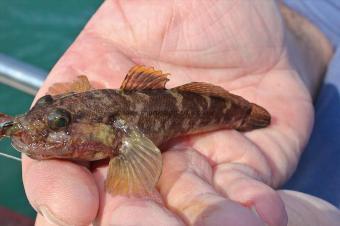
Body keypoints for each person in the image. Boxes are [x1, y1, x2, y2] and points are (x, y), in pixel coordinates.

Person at [22, 1, 340, 225]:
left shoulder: (120, 130)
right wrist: (299, 35)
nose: (48, 131)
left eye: (59, 123)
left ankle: (243, 116)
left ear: (112, 129)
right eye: (52, 113)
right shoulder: (82, 103)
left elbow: (136, 161)